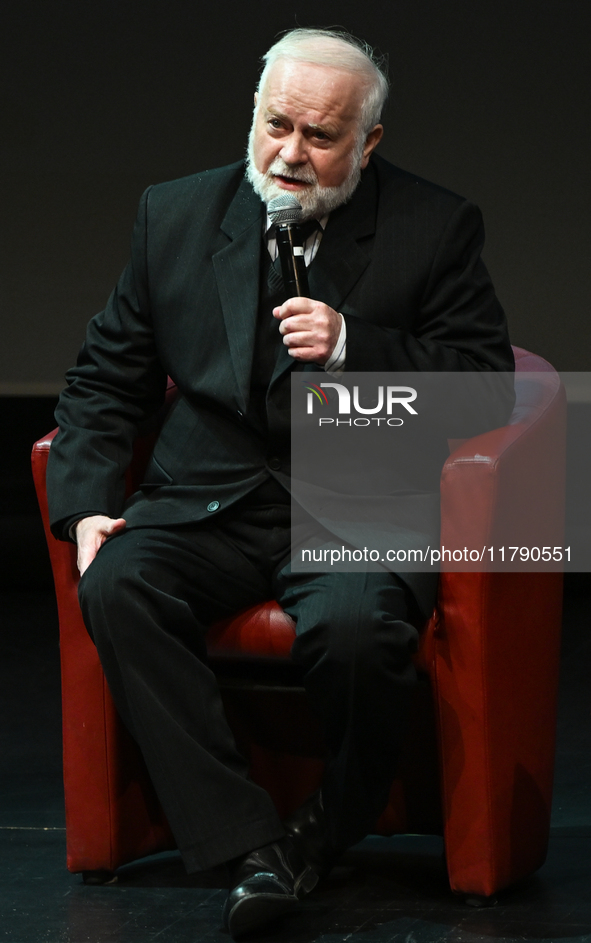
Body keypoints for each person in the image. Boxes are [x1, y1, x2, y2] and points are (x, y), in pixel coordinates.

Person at [46, 28, 514, 939]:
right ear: (254, 116)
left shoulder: (433, 225)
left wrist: (353, 347)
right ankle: (253, 841)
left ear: (368, 143)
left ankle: (328, 824)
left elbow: (487, 383)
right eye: (276, 125)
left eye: (321, 136)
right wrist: (92, 503)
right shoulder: (175, 214)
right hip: (206, 497)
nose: (290, 154)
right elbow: (106, 378)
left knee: (354, 630)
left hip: (356, 500)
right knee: (119, 582)